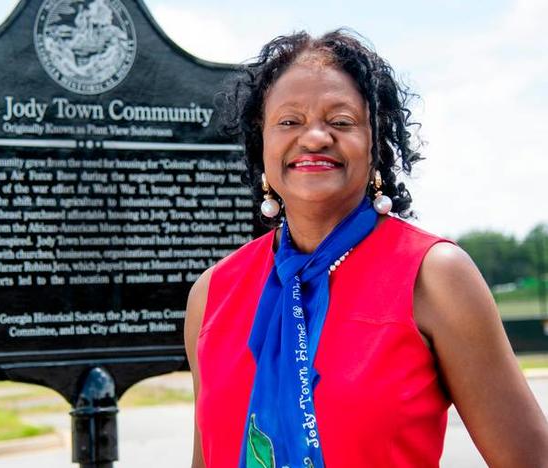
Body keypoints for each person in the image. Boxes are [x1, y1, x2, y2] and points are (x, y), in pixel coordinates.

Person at [184, 30, 548, 468]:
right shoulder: (212, 294)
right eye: (289, 121)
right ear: (261, 145)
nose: (315, 137)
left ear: (376, 144)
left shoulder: (434, 276)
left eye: (341, 121)